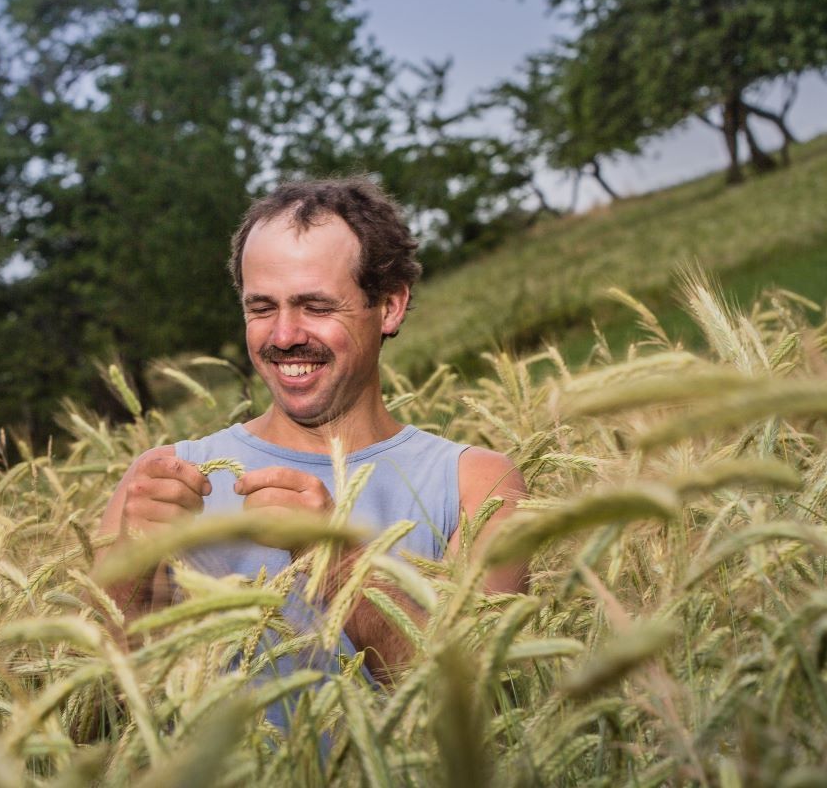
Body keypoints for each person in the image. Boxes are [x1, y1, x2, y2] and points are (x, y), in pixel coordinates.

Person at [95, 175, 528, 690]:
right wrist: (132, 566)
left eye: (316, 307)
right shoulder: (164, 478)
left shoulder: (475, 486)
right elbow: (86, 719)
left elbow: (473, 700)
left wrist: (333, 560)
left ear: (389, 306)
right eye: (261, 308)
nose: (284, 336)